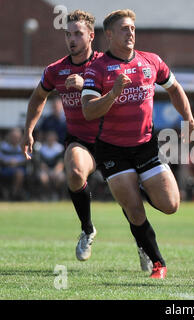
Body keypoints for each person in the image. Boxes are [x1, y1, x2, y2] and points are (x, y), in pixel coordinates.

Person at [81, 9, 194, 279]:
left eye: (132, 28)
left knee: (171, 205)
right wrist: (113, 94)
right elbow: (88, 111)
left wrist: (189, 118)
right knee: (133, 209)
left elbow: (174, 88)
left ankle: (137, 186)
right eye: (124, 28)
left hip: (146, 144)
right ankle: (157, 262)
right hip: (111, 149)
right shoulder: (97, 68)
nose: (130, 32)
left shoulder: (151, 61)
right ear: (109, 35)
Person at [21, 10, 103, 262]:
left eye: (78, 34)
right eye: (68, 34)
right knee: (75, 173)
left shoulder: (106, 64)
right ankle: (87, 229)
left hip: (115, 138)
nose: (72, 39)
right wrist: (28, 131)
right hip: (81, 140)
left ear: (91, 36)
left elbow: (122, 99)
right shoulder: (56, 70)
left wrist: (88, 87)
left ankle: (142, 242)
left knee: (135, 197)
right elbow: (38, 97)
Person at [37, 131, 66, 200]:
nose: (50, 139)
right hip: (45, 170)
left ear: (55, 138)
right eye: (49, 137)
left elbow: (61, 163)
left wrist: (55, 172)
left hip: (56, 170)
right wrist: (48, 172)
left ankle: (55, 192)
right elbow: (41, 163)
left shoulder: (60, 149)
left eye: (52, 137)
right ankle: (48, 193)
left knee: (60, 178)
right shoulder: (41, 148)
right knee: (43, 178)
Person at [0, 128, 27, 200]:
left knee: (19, 173)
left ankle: (14, 193)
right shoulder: (3, 146)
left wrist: (17, 163)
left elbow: (28, 159)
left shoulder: (23, 147)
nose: (14, 139)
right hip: (6, 168)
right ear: (9, 137)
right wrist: (7, 162)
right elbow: (1, 158)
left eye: (17, 137)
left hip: (19, 167)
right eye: (13, 137)